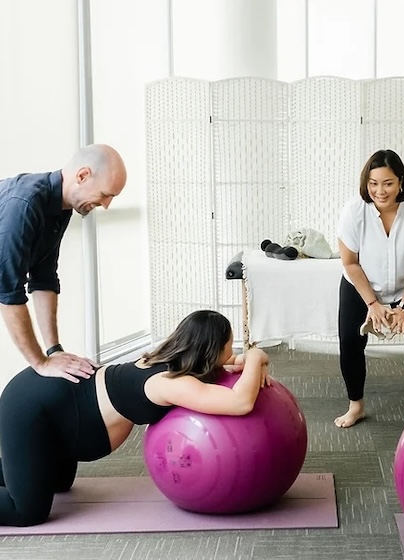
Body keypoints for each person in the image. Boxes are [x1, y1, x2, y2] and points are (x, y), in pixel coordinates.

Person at [0, 309, 270, 526]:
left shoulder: (168, 360)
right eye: (229, 343)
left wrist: (244, 364)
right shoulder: (168, 383)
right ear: (212, 349)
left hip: (59, 409)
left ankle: (21, 467)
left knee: (58, 482)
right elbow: (240, 402)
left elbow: (222, 369)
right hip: (30, 408)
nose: (232, 349)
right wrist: (256, 356)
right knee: (27, 512)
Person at [0, 144, 128, 382]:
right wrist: (40, 363)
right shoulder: (25, 203)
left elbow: (44, 278)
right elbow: (8, 292)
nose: (107, 205)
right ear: (82, 176)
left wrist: (54, 350)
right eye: (105, 194)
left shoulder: (61, 207)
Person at [334, 149, 404, 428]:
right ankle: (355, 406)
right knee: (350, 343)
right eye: (373, 183)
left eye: (388, 183)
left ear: (401, 181)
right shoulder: (354, 211)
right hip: (361, 286)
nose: (380, 191)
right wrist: (372, 303)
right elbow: (350, 262)